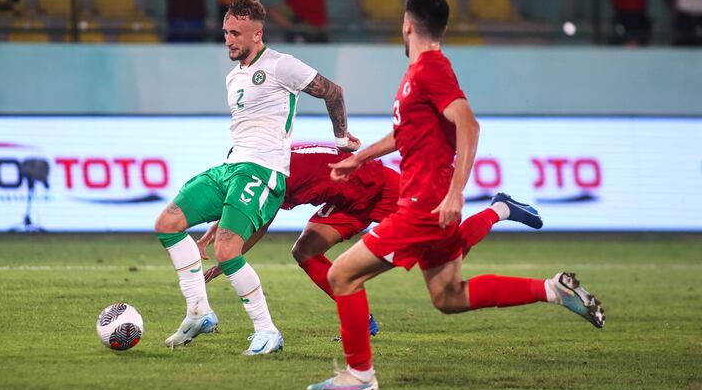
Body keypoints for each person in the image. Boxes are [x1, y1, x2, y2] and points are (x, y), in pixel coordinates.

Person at [306, 0, 606, 390]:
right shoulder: (419, 74)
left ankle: (360, 374)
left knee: (342, 275)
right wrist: (359, 158)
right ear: (442, 28)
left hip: (421, 208)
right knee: (448, 296)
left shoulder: (431, 69)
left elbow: (469, 124)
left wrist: (456, 193)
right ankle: (552, 288)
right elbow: (405, 133)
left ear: (407, 25)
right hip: (429, 205)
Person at [154, 0, 360, 356]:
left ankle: (267, 331)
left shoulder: (282, 65)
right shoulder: (233, 77)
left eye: (236, 33)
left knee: (227, 250)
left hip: (265, 170)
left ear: (257, 33)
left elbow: (333, 92)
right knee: (168, 222)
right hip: (233, 165)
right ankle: (199, 312)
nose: (229, 40)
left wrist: (341, 139)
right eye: (225, 32)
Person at [201, 145, 545, 338]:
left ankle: (499, 209)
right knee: (305, 250)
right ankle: (361, 319)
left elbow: (259, 220)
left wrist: (229, 257)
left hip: (379, 187)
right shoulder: (266, 162)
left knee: (448, 251)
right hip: (347, 201)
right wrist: (219, 231)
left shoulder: (272, 174)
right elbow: (242, 204)